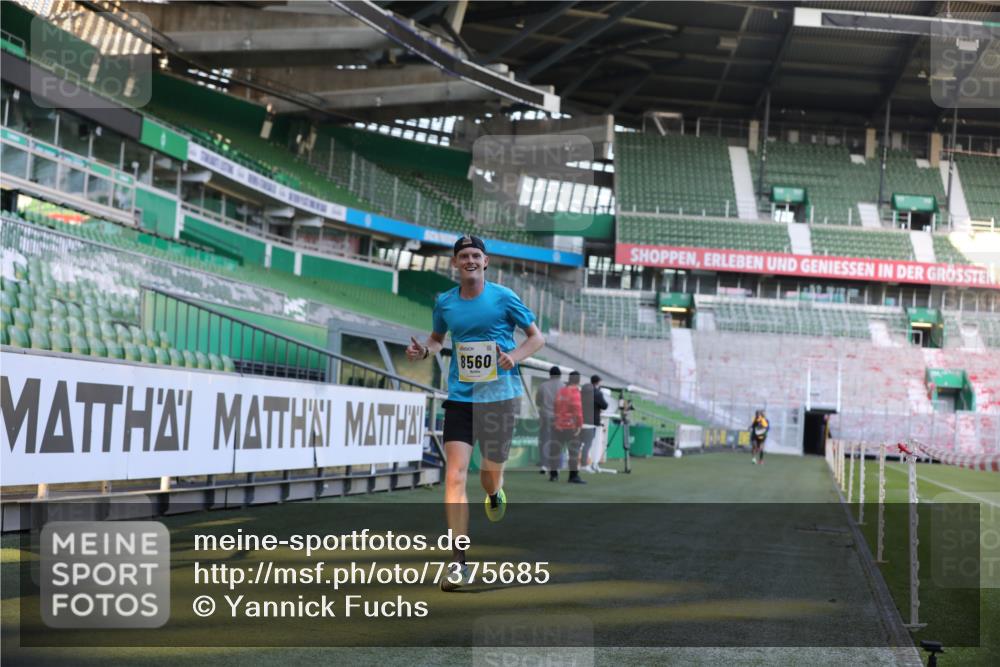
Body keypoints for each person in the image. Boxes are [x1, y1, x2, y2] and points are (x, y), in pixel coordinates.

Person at [406, 235, 544, 591]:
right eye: (463, 255)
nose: (469, 260)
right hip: (462, 397)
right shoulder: (445, 303)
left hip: (499, 397)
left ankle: (496, 491)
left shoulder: (503, 298)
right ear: (454, 263)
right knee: (453, 477)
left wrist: (514, 356)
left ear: (486, 262)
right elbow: (438, 339)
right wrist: (425, 350)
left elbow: (535, 337)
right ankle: (458, 562)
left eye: (475, 255)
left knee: (488, 475)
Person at [551, 371, 585, 484]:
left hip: (558, 425)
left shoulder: (561, 391)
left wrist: (557, 421)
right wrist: (579, 425)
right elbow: (578, 410)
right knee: (573, 452)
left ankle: (553, 475)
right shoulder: (575, 392)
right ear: (578, 380)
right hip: (570, 426)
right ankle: (573, 476)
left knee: (556, 451)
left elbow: (555, 406)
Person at [535, 366, 562, 476]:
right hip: (559, 418)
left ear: (550, 374)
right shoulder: (564, 387)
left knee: (544, 440)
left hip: (545, 416)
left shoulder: (543, 386)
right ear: (560, 375)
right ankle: (556, 466)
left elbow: (538, 402)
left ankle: (544, 465)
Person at [580, 374, 609, 472]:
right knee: (588, 444)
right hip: (591, 421)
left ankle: (578, 463)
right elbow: (605, 405)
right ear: (598, 382)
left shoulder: (583, 391)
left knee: (579, 444)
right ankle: (585, 464)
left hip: (581, 420)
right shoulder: (597, 393)